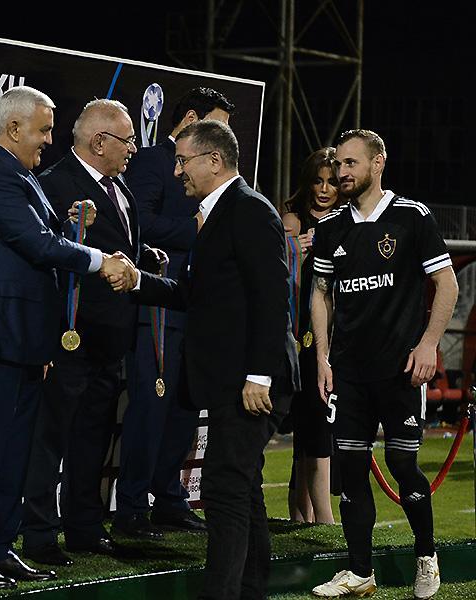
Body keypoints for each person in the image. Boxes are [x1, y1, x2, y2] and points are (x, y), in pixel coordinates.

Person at [0, 86, 135, 591]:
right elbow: (36, 243)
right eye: (44, 130)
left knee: (15, 452)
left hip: (28, 338)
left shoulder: (18, 173)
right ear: (13, 129)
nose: (50, 140)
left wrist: (72, 224)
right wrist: (99, 259)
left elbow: (42, 236)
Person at [118, 119, 300, 600]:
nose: (177, 170)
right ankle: (250, 590)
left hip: (251, 381)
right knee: (242, 487)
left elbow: (272, 297)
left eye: (183, 160)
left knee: (224, 487)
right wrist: (138, 281)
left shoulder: (248, 209)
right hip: (232, 379)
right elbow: (194, 294)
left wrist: (259, 375)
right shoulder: (217, 213)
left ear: (213, 160)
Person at [310, 130, 458, 599]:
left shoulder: (411, 217)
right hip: (349, 373)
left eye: (351, 163)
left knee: (402, 462)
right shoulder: (332, 227)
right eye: (339, 163)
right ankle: (359, 572)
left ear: (378, 163)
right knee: (350, 469)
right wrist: (323, 357)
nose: (342, 171)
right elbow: (320, 294)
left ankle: (426, 557)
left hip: (400, 371)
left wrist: (429, 344)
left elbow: (447, 284)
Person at [22, 98, 159, 564]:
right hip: (68, 337)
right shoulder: (53, 185)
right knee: (50, 438)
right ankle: (39, 533)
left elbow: (122, 250)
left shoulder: (122, 189)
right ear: (99, 141)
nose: (133, 149)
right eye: (127, 140)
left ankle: (84, 525)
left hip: (111, 339)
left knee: (93, 437)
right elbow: (45, 254)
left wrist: (145, 259)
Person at [115, 87, 235, 537]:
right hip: (158, 310)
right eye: (218, 124)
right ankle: (131, 507)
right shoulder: (151, 162)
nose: (224, 136)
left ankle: (168, 497)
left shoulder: (216, 175)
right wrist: (196, 230)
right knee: (150, 407)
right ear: (190, 119)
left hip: (198, 308)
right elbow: (138, 223)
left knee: (185, 410)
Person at [280, 147, 339, 525]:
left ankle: (304, 517)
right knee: (313, 430)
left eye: (331, 182)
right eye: (318, 181)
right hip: (302, 340)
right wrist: (294, 252)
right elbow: (275, 273)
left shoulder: (348, 221)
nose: (324, 189)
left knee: (315, 434)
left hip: (338, 340)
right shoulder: (293, 220)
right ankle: (323, 521)